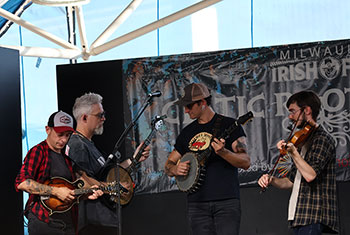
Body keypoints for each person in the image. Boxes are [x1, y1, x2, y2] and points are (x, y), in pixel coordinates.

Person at [164, 83, 251, 235]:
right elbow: (168, 165)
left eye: (189, 106)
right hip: (196, 205)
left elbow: (246, 162)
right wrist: (175, 169)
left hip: (226, 202)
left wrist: (224, 152)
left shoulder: (229, 125)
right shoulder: (186, 133)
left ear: (202, 103)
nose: (186, 110)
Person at [65, 92, 150, 235]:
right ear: (84, 117)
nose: (104, 118)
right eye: (100, 115)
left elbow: (107, 175)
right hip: (92, 223)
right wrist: (114, 187)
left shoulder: (88, 144)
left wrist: (134, 159)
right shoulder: (77, 145)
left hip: (103, 220)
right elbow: (83, 181)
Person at [258, 90, 338, 235]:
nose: (290, 116)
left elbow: (310, 175)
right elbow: (291, 181)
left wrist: (293, 152)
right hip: (300, 215)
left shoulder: (322, 139)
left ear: (307, 110)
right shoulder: (302, 142)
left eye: (293, 111)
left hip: (314, 215)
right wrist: (271, 180)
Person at [15, 111, 102, 235]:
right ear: (47, 129)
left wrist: (85, 194)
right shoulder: (38, 152)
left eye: (67, 135)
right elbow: (22, 182)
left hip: (67, 223)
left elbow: (70, 192)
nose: (63, 140)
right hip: (44, 222)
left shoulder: (67, 160)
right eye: (60, 134)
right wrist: (56, 191)